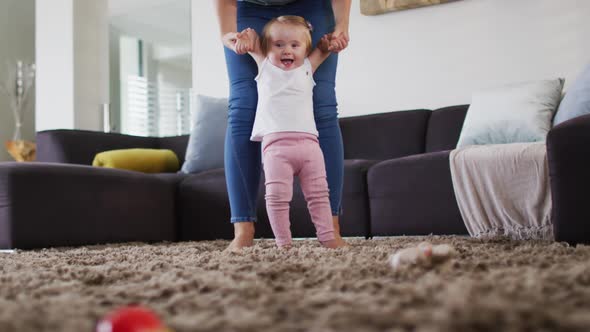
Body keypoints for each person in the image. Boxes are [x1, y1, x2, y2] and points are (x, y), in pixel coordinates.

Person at [215, 0, 351, 251]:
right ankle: (243, 229)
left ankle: (330, 230)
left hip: (313, 6)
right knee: (243, 105)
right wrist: (227, 34)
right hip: (249, 8)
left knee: (322, 103)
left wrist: (342, 24)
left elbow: (323, 52)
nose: (286, 51)